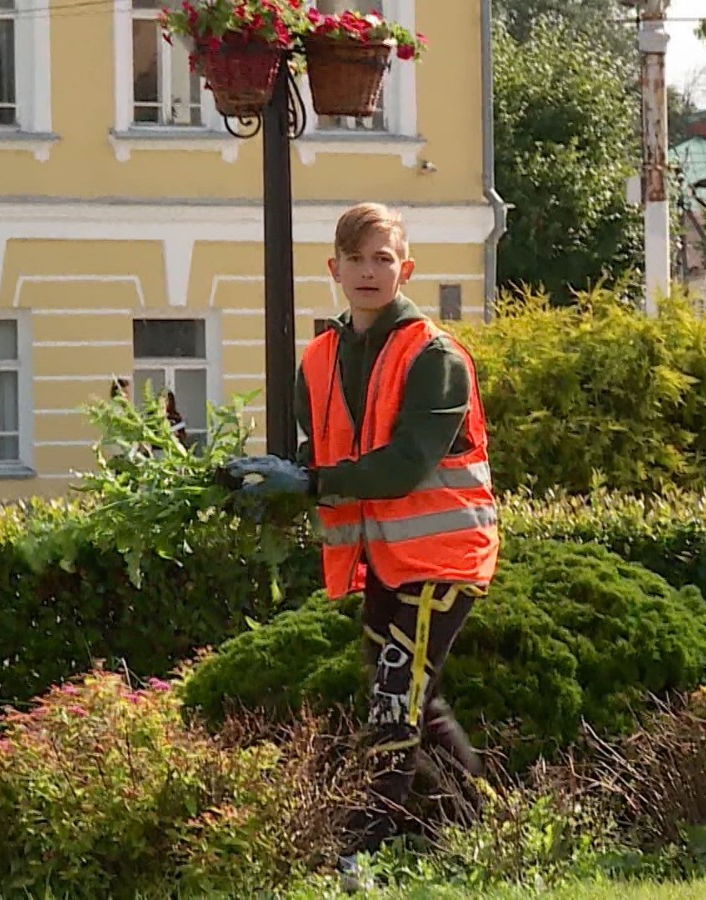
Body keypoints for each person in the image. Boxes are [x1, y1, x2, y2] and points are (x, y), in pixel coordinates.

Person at [224, 202, 499, 892]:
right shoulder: (319, 358)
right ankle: (502, 836)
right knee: (418, 708)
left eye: (384, 259)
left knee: (392, 706)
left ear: (406, 268)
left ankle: (354, 855)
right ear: (335, 270)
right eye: (357, 259)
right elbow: (313, 457)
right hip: (383, 560)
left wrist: (308, 479)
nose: (371, 271)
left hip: (443, 559)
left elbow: (404, 464)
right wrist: (258, 483)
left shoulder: (436, 357)